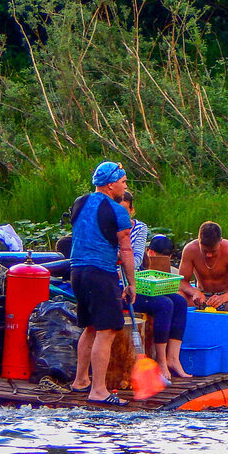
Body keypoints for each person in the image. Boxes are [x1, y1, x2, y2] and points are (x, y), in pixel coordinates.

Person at [69, 161, 135, 405]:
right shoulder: (118, 210)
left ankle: (80, 381)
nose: (125, 186)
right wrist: (132, 283)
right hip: (101, 273)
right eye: (123, 182)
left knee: (90, 328)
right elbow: (126, 250)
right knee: (106, 331)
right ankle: (99, 391)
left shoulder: (79, 202)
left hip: (77, 271)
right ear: (110, 185)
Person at [118, 191, 190, 382]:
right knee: (164, 304)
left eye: (125, 210)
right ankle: (161, 361)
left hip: (136, 283)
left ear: (132, 211)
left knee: (179, 302)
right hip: (117, 287)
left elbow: (136, 259)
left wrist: (123, 261)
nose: (122, 215)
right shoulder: (108, 227)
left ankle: (173, 358)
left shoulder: (139, 228)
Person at [179, 221, 228, 313]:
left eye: (213, 251)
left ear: (220, 241)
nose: (209, 255)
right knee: (178, 297)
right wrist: (194, 292)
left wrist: (222, 298)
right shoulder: (190, 250)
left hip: (225, 298)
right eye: (205, 251)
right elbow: (182, 282)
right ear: (199, 241)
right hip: (201, 297)